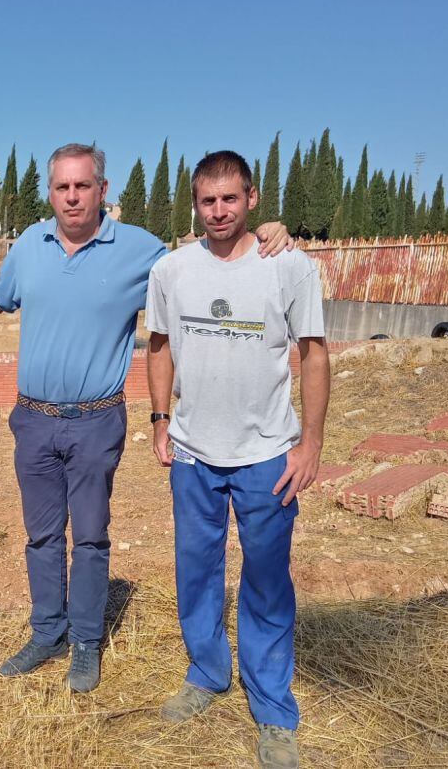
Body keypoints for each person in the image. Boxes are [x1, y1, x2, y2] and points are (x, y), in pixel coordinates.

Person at [0, 143, 293, 693]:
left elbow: (210, 251)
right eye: (62, 187)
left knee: (92, 537)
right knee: (41, 536)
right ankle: (46, 632)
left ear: (102, 191)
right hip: (31, 419)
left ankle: (84, 641)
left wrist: (271, 229)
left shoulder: (143, 251)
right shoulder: (30, 244)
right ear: (50, 192)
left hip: (96, 421)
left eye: (83, 186)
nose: (72, 196)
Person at [146, 151, 329, 769]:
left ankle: (273, 708)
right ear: (194, 204)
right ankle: (206, 673)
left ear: (251, 198)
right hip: (195, 454)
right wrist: (160, 419)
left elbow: (314, 354)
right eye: (207, 201)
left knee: (267, 580)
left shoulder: (290, 268)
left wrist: (312, 443)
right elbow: (161, 346)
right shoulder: (172, 270)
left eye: (230, 199)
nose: (218, 211)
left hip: (267, 455)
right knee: (196, 571)